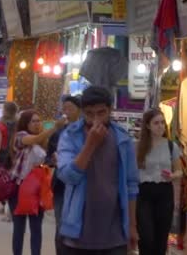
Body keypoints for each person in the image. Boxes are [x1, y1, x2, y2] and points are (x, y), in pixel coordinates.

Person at [57, 86, 140, 255]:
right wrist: (90, 145)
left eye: (101, 113)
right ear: (82, 112)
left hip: (115, 234)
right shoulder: (70, 136)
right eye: (89, 114)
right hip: (77, 234)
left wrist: (132, 226)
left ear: (110, 110)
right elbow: (67, 176)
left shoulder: (122, 139)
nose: (96, 120)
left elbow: (131, 186)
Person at [9, 110, 66, 255]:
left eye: (38, 121)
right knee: (19, 227)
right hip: (19, 188)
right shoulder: (21, 136)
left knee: (36, 228)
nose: (37, 124)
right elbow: (33, 140)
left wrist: (51, 161)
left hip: (37, 190)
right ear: (25, 123)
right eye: (33, 121)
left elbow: (43, 163)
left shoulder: (43, 142)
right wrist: (54, 127)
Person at [136, 109, 183, 255]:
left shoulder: (171, 146)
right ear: (148, 126)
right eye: (156, 123)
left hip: (164, 192)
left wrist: (172, 175)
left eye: (162, 123)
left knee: (161, 236)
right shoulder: (138, 146)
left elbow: (180, 171)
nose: (161, 126)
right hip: (144, 193)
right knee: (146, 236)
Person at [47, 96, 81, 255]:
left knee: (77, 226)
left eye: (70, 108)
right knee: (61, 226)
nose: (66, 112)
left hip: (79, 186)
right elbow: (47, 158)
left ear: (79, 111)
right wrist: (52, 159)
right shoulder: (58, 132)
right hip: (61, 185)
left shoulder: (85, 133)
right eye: (64, 108)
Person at [0, 101, 19, 220]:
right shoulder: (18, 124)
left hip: (2, 158)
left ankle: (6, 210)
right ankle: (7, 209)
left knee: (2, 184)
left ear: (5, 110)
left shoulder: (1, 125)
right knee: (11, 183)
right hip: (14, 157)